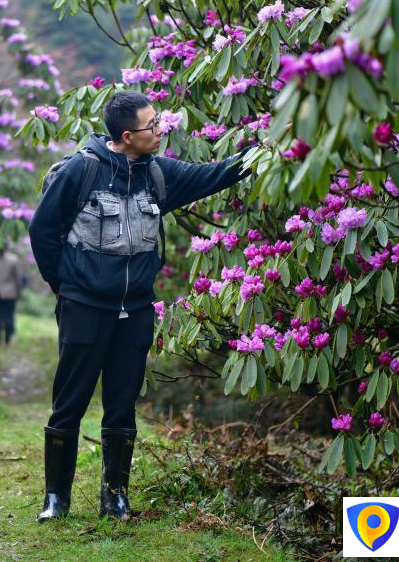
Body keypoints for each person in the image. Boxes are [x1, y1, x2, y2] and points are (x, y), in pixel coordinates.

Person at [28, 90, 255, 522]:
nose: (161, 131)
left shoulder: (159, 175)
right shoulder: (81, 171)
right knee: (69, 401)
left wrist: (265, 150)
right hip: (84, 308)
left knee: (122, 403)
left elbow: (214, 174)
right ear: (128, 135)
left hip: (134, 311)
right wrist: (68, 286)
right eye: (153, 126)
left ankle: (115, 497)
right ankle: (55, 499)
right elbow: (44, 232)